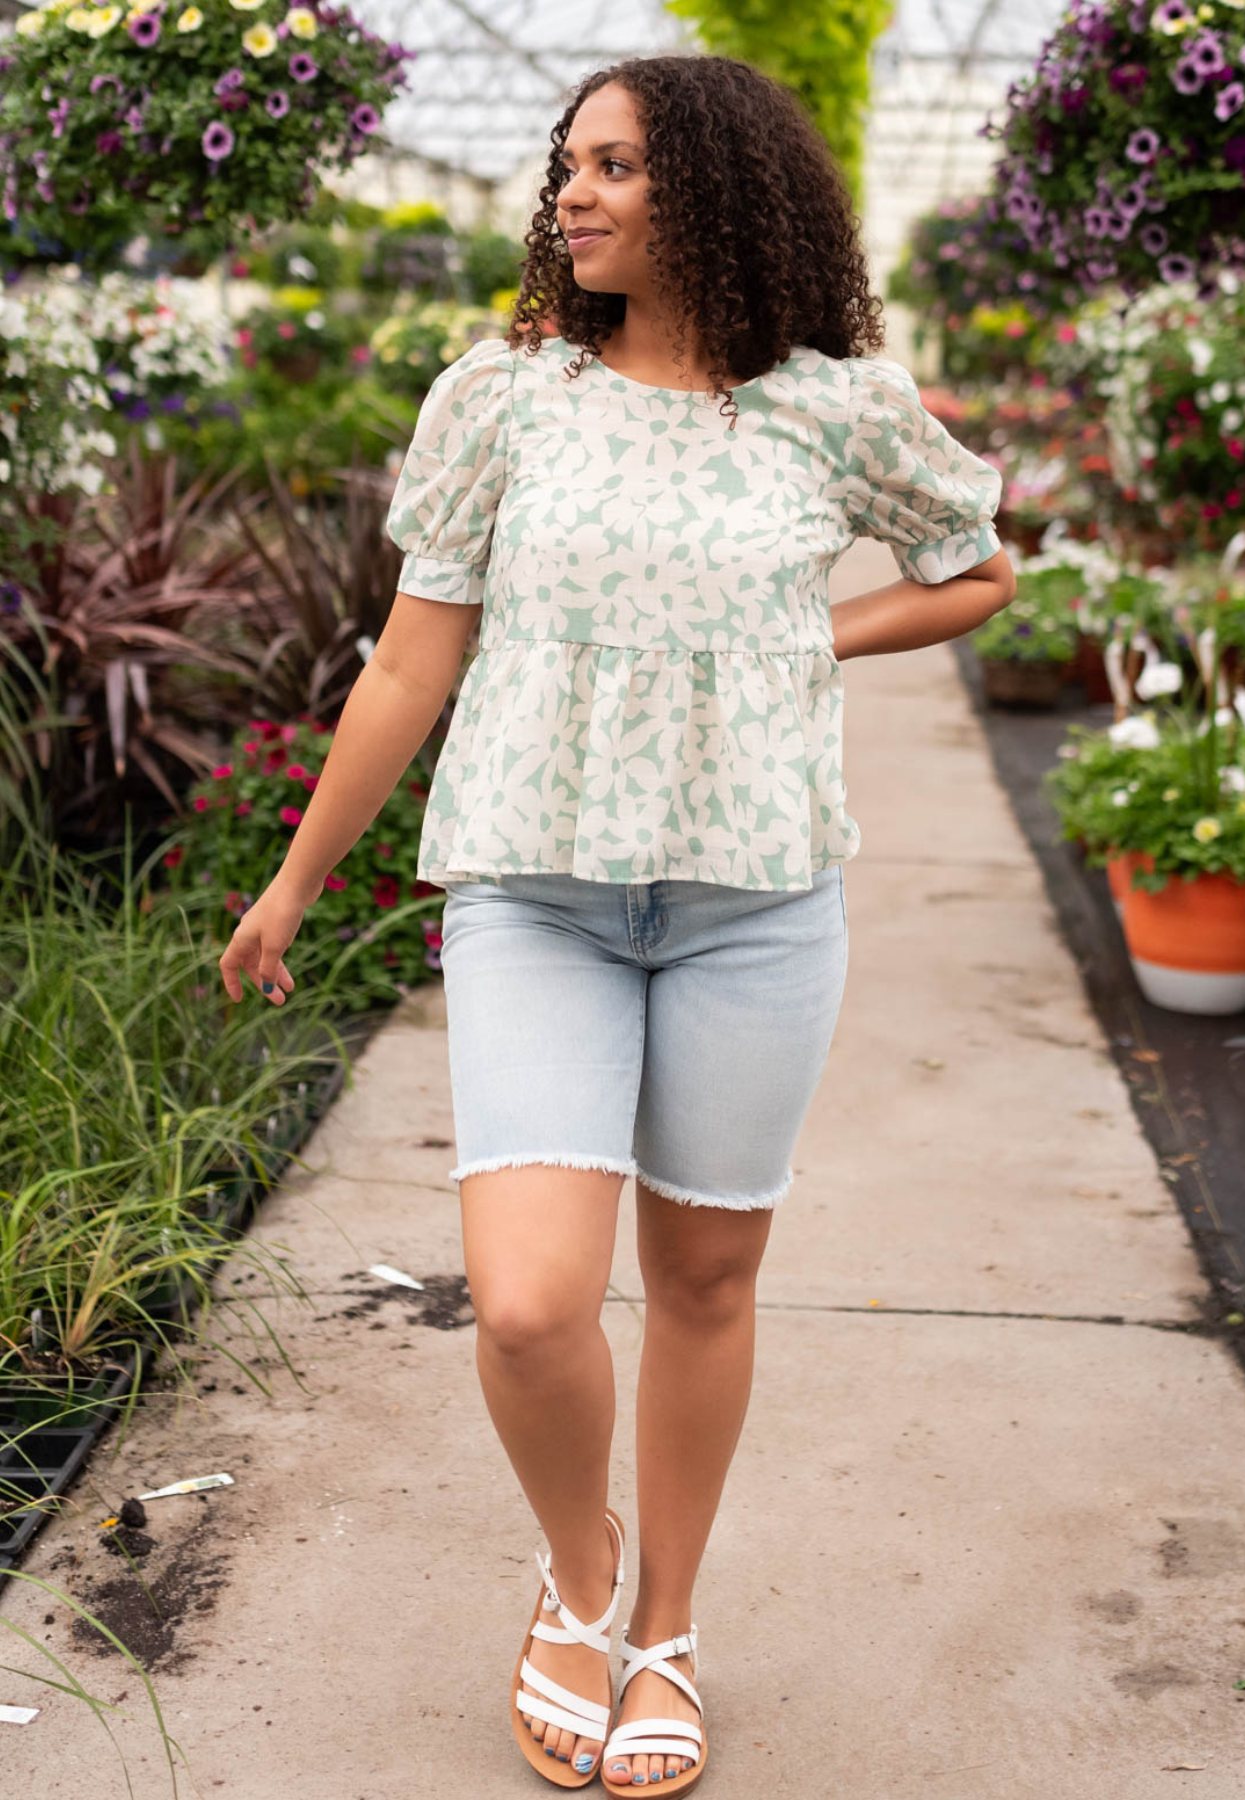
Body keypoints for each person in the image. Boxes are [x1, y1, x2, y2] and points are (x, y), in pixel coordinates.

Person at [218, 51, 1014, 1795]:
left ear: (717, 194)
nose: (570, 194)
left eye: (618, 167)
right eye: (566, 163)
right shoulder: (498, 398)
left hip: (752, 907)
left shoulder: (832, 403)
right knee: (526, 1303)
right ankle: (574, 1581)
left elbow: (975, 563)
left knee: (707, 1281)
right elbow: (416, 653)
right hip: (536, 892)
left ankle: (663, 1624)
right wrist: (295, 873)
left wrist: (824, 640)